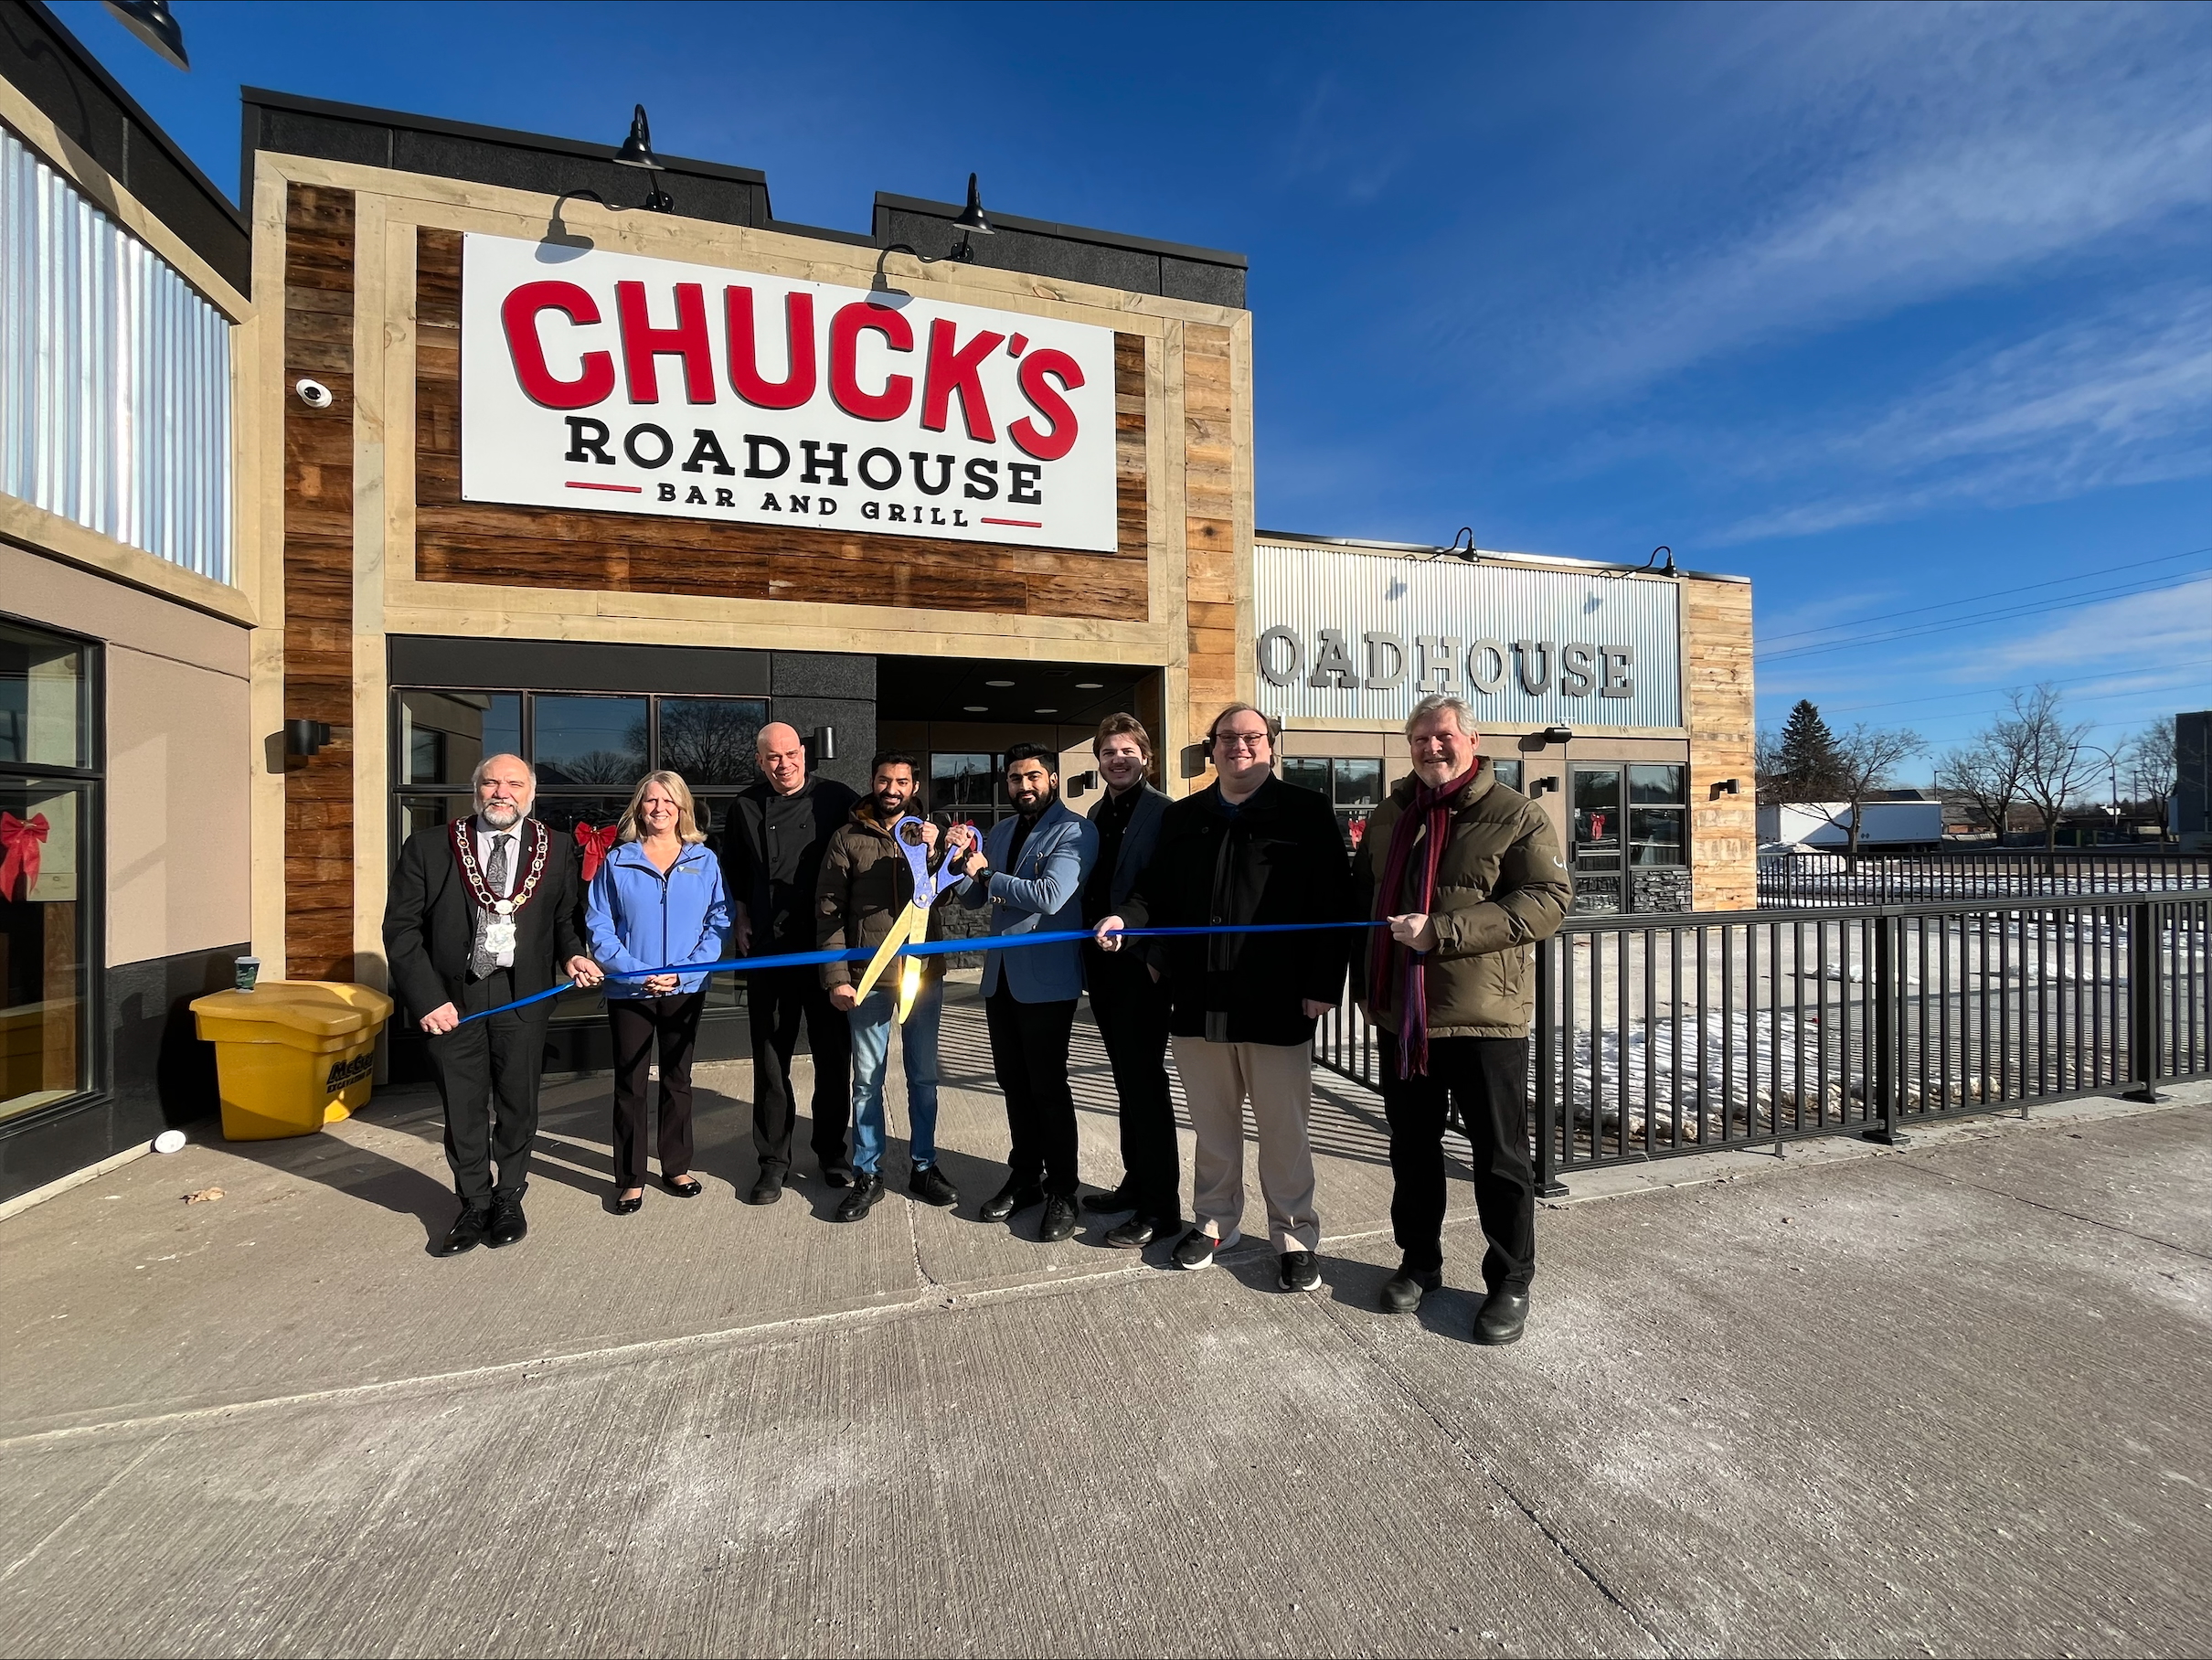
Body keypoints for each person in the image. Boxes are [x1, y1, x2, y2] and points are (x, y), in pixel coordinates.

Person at [1094, 704, 1352, 1291]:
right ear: (1211, 749)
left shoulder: (1306, 811)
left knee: (1284, 1131)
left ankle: (1293, 1233)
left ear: (1270, 746)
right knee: (1213, 1127)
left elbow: (1335, 904)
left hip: (1278, 1000)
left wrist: (1320, 985)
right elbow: (1153, 896)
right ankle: (1215, 1223)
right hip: (1197, 1001)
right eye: (1227, 738)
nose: (1239, 746)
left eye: (1251, 737)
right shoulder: (1185, 817)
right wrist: (1127, 924)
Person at [1353, 694, 1570, 1346]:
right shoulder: (1392, 816)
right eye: (1419, 739)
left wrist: (1442, 931)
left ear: (1471, 742)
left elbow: (1547, 902)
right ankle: (1420, 1262)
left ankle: (1509, 1281)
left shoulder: (1517, 816)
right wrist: (1366, 984)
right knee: (1412, 1154)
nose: (1430, 748)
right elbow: (1364, 901)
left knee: (1500, 1160)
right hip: (1403, 1019)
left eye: (1442, 736)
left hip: (1484, 1020)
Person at [383, 753, 601, 1256]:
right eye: (491, 783)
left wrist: (572, 954)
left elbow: (566, 917)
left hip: (522, 997)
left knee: (518, 1103)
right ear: (475, 789)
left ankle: (509, 1195)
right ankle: (473, 1201)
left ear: (532, 794)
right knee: (462, 1108)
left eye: (514, 784)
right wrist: (427, 999)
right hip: (451, 1002)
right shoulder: (430, 846)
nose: (502, 792)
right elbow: (401, 930)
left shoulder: (559, 847)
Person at [816, 751, 972, 1224]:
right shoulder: (847, 838)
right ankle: (868, 1172)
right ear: (873, 783)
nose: (892, 789)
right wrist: (837, 978)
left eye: (902, 782)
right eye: (885, 780)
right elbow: (828, 912)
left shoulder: (931, 835)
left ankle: (924, 1166)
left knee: (923, 1077)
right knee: (866, 1081)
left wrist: (939, 853)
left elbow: (945, 897)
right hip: (869, 980)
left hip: (922, 977)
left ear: (914, 785)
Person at [954, 743, 1098, 1241]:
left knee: (1048, 1088)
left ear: (1053, 779)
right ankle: (1025, 1177)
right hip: (1001, 980)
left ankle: (1063, 1190)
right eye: (1015, 779)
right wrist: (959, 862)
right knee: (1013, 1083)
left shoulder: (1076, 830)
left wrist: (988, 875)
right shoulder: (1000, 830)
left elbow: (1051, 897)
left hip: (1046, 982)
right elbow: (973, 896)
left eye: (1033, 776)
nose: (1024, 786)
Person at [721, 721, 859, 1206]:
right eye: (773, 758)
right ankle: (773, 1162)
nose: (784, 765)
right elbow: (734, 868)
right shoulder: (743, 806)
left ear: (805, 752)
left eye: (791, 754)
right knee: (771, 1058)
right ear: (760, 761)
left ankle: (832, 1153)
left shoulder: (840, 798)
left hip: (827, 947)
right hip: (769, 947)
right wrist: (739, 914)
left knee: (831, 1056)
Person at [585, 771, 732, 1214]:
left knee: (678, 1078)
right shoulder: (617, 861)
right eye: (651, 801)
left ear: (683, 808)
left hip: (684, 988)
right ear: (639, 807)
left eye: (669, 801)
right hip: (630, 989)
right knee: (631, 1084)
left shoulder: (704, 860)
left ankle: (675, 1166)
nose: (659, 809)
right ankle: (630, 1178)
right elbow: (598, 924)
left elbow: (719, 921)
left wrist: (686, 972)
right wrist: (634, 972)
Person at [1076, 714, 1180, 1249]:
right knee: (1126, 1082)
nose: (1118, 759)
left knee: (1146, 1085)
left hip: (1142, 968)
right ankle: (1135, 1183)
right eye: (1108, 751)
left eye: (1127, 751)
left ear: (1146, 757)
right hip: (1105, 968)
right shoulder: (1099, 812)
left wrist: (1156, 956)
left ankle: (1161, 1208)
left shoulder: (1164, 813)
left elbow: (1167, 893)